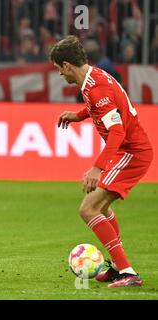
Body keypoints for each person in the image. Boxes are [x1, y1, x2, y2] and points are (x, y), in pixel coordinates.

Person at [50, 36, 153, 287]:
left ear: (67, 65)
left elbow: (117, 130)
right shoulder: (94, 77)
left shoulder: (96, 88)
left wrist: (98, 167)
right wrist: (78, 116)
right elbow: (103, 106)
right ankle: (119, 267)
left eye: (59, 70)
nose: (61, 75)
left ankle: (127, 272)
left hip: (131, 152)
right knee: (103, 208)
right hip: (130, 151)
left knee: (88, 209)